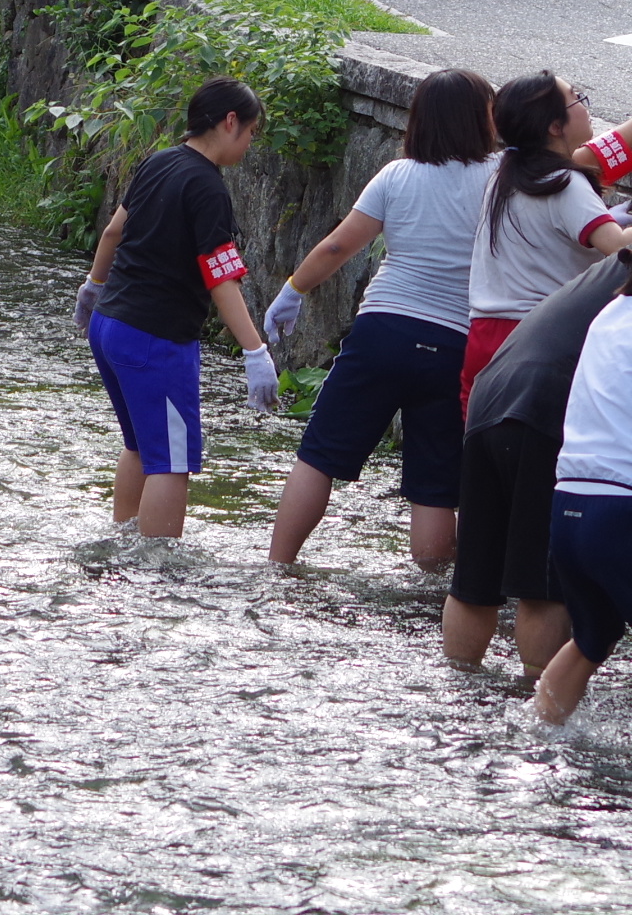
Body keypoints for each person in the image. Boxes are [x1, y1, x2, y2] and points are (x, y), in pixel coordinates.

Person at [260, 68, 495, 570]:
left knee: (319, 456)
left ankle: (277, 567)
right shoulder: (500, 179)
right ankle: (429, 593)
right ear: (481, 119)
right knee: (435, 486)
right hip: (454, 343)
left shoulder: (397, 174)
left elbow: (338, 244)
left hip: (383, 330)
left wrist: (293, 290)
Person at [74, 77, 284, 540]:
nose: (250, 143)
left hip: (108, 324)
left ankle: (123, 542)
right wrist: (254, 351)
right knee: (171, 462)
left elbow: (112, 232)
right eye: (251, 132)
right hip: (155, 337)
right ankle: (158, 571)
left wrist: (92, 288)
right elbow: (220, 278)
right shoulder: (208, 187)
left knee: (140, 445)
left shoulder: (159, 161)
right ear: (230, 122)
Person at [445, 253, 632, 680]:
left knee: (473, 581)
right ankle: (535, 713)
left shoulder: (614, 267)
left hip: (490, 391)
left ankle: (459, 696)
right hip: (545, 403)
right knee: (543, 588)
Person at [464, 72, 632, 414]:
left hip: (484, 338)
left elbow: (589, 160)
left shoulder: (506, 172)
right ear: (555, 126)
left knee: (486, 459)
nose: (586, 107)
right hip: (538, 342)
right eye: (578, 97)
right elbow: (621, 250)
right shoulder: (564, 183)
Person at [538, 276, 632, 726]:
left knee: (592, 639)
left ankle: (537, 738)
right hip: (620, 512)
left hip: (569, 505)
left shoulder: (608, 315)